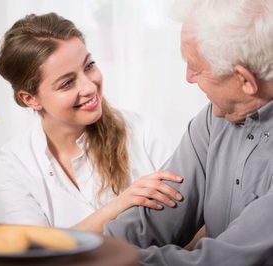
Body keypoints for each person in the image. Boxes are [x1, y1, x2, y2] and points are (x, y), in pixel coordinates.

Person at [104, 0, 273, 265]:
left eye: (195, 67)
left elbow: (226, 261)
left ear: (245, 80)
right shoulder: (212, 120)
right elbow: (157, 214)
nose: (188, 77)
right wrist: (94, 249)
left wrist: (110, 259)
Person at [0, 12, 184, 233]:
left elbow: (191, 223)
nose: (89, 87)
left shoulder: (143, 131)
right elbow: (37, 252)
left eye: (89, 66)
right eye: (67, 83)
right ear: (30, 99)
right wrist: (122, 204)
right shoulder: (15, 162)